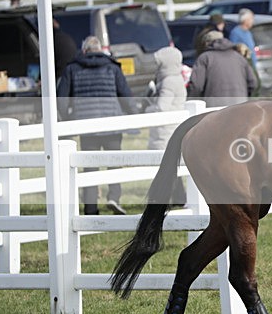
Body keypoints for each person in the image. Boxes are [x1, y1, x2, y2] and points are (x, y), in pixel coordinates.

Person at [57, 36, 137, 215]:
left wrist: (69, 118)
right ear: (101, 50)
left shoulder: (72, 69)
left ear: (84, 51)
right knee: (114, 163)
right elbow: (125, 95)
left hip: (87, 126)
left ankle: (91, 208)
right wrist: (134, 117)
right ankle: (114, 198)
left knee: (90, 167)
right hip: (112, 124)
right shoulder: (112, 67)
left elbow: (61, 100)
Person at [146, 46, 187, 205]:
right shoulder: (174, 79)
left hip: (166, 130)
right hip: (170, 127)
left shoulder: (169, 81)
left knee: (165, 165)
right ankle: (177, 198)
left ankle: (169, 198)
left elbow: (163, 107)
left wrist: (148, 109)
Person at [188, 30, 258, 108]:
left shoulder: (205, 58)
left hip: (214, 108)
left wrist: (190, 101)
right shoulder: (239, 57)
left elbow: (196, 86)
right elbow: (253, 83)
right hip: (240, 106)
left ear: (206, 43)